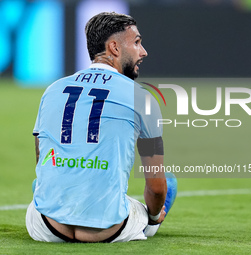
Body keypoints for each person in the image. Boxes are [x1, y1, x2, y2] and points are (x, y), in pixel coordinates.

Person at [26, 12, 177, 243]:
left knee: (41, 183)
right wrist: (154, 216)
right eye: (136, 42)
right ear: (114, 48)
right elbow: (156, 187)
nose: (143, 51)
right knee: (168, 184)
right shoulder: (142, 99)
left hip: (47, 228)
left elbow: (41, 161)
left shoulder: (53, 90)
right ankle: (152, 224)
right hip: (108, 230)